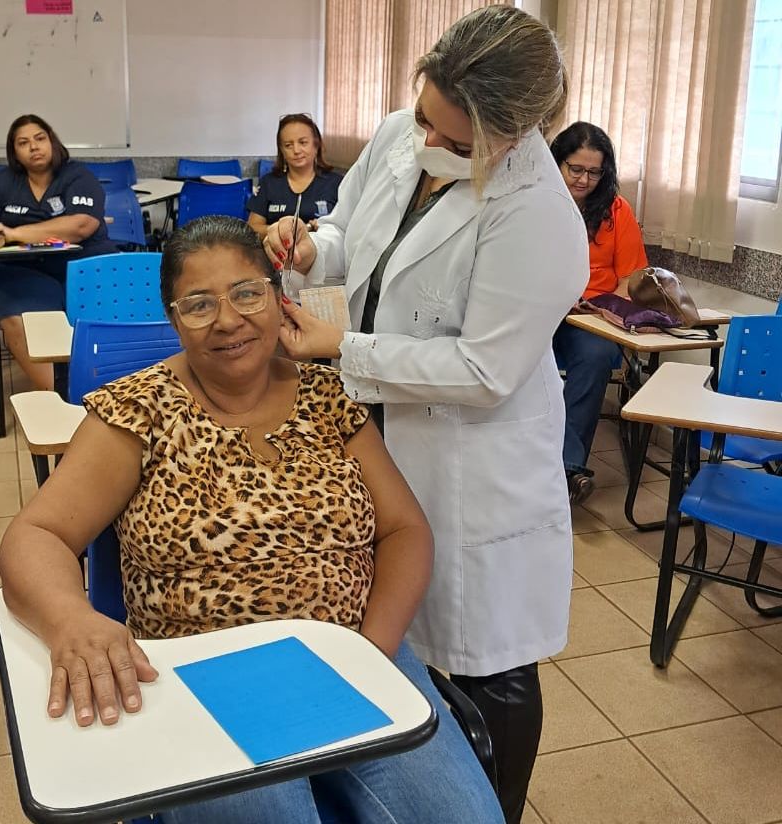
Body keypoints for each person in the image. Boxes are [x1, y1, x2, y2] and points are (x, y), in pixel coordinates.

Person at [0, 216, 503, 824]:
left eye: (246, 292)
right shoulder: (138, 410)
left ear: (277, 296)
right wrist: (71, 620)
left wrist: (373, 653)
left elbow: (405, 529)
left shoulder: (329, 395)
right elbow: (35, 534)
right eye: (199, 304)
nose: (229, 320)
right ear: (172, 317)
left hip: (351, 657)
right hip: (209, 679)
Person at [265, 7, 589, 822]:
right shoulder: (404, 135)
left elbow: (482, 370)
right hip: (373, 425)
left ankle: (494, 808)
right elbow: (348, 231)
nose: (427, 144)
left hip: (470, 458)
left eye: (451, 139)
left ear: (512, 134)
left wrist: (347, 348)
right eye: (423, 118)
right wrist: (311, 250)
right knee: (393, 633)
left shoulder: (540, 217)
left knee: (488, 660)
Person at [0, 114, 118, 391]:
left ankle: (107, 386)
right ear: (15, 152)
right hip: (22, 270)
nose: (34, 147)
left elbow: (81, 224)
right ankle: (64, 395)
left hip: (84, 265)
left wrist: (13, 233)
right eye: (23, 143)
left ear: (52, 141)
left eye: (39, 138)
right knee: (18, 315)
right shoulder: (2, 182)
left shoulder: (78, 175)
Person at [550, 121, 649, 503]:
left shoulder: (615, 211)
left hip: (590, 319)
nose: (584, 180)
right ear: (557, 163)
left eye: (594, 172)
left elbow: (631, 281)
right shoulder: (536, 204)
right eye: (575, 169)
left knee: (593, 356)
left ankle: (567, 469)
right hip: (541, 312)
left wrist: (600, 308)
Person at [247, 114, 343, 236]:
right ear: (281, 150)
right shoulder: (268, 183)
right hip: (275, 252)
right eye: (288, 145)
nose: (296, 150)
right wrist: (283, 231)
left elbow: (349, 226)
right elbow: (253, 228)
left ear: (316, 145)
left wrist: (325, 229)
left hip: (322, 252)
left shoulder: (337, 183)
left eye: (303, 142)